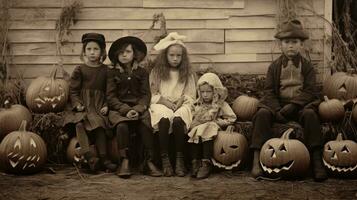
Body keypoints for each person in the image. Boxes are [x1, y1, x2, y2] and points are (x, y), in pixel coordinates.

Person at [250, 19, 327, 181]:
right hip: (279, 106)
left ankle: (317, 160)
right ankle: (256, 159)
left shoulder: (307, 66)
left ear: (301, 45)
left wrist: (293, 105)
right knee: (262, 113)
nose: (291, 45)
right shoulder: (274, 67)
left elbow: (310, 90)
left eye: (295, 42)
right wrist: (277, 110)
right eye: (287, 42)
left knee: (311, 115)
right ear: (281, 45)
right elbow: (269, 91)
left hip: (300, 106)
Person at [106, 36, 162, 178]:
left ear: (135, 54)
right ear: (116, 56)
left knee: (145, 124)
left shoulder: (142, 72)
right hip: (119, 109)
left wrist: (138, 109)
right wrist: (126, 110)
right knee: (122, 126)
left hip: (139, 108)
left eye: (128, 52)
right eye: (120, 53)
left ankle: (148, 161)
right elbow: (111, 97)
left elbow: (145, 95)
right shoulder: (112, 73)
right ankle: (125, 160)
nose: (124, 55)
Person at [63, 33, 116, 173]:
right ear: (84, 51)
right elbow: (73, 90)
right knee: (79, 124)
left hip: (98, 106)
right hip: (83, 106)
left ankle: (104, 159)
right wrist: (77, 104)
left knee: (99, 124)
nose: (92, 52)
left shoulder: (106, 71)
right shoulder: (80, 70)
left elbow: (110, 91)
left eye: (96, 49)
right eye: (89, 49)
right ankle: (89, 157)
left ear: (102, 52)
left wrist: (106, 105)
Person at [149, 32, 196, 177]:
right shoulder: (157, 71)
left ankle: (179, 159)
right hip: (162, 102)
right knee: (163, 118)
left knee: (177, 120)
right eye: (171, 55)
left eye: (178, 56)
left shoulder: (187, 72)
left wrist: (181, 101)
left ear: (183, 57)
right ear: (165, 56)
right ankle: (165, 160)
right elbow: (153, 93)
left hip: (181, 103)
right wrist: (165, 102)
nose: (175, 59)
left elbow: (190, 94)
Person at [188, 73, 237, 179]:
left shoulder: (221, 105)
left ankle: (206, 163)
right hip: (200, 127)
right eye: (202, 92)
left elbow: (231, 118)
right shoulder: (198, 105)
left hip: (212, 128)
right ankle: (195, 162)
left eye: (208, 91)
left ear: (215, 92)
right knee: (195, 131)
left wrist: (217, 121)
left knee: (208, 128)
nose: (205, 94)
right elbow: (193, 117)